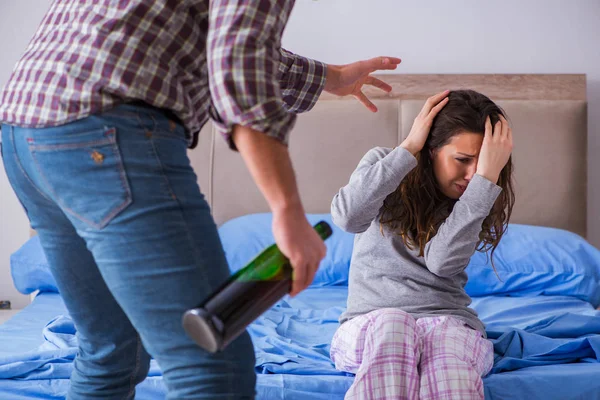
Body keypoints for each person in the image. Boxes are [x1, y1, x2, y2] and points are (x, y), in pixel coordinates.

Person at [0, 1, 402, 399]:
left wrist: (328, 76)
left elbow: (215, 40)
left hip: (25, 129)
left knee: (110, 351)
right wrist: (287, 211)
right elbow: (239, 66)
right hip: (107, 133)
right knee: (213, 361)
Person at [330, 89, 515, 400]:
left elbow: (442, 263)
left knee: (444, 350)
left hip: (447, 323)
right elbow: (348, 217)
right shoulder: (383, 164)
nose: (472, 174)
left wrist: (486, 180)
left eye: (481, 165)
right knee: (394, 323)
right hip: (370, 323)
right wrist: (408, 148)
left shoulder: (478, 192)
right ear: (431, 149)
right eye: (463, 159)